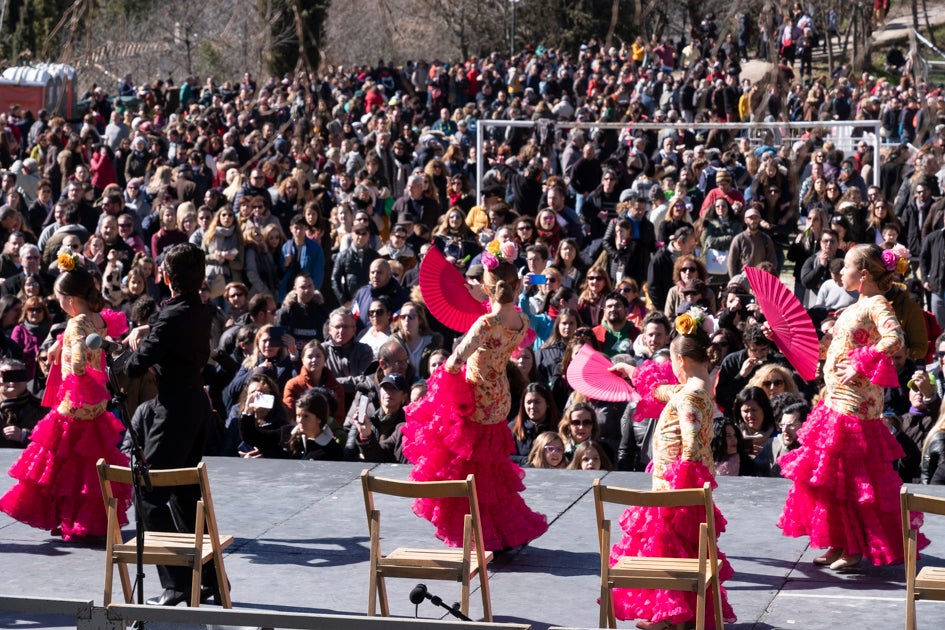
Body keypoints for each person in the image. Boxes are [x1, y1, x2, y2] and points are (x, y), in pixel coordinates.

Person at [778, 244, 930, 569]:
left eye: (846, 267)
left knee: (852, 477)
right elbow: (836, 350)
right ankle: (839, 542)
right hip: (836, 401)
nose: (840, 272)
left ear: (862, 274)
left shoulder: (876, 303)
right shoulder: (855, 305)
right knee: (834, 476)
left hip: (857, 406)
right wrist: (790, 339)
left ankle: (854, 547)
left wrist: (861, 362)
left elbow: (896, 339)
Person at [401, 241, 548, 551]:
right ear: (518, 285)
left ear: (486, 285)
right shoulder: (521, 322)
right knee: (490, 468)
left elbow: (455, 360)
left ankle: (475, 529)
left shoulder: (485, 324)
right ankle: (498, 530)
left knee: (468, 467)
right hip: (500, 397)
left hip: (476, 396)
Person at [607, 322, 736, 629]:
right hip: (681, 486)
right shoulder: (696, 389)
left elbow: (690, 447)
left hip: (677, 487)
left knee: (669, 547)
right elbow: (665, 390)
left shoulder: (690, 397)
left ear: (679, 361)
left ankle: (670, 618)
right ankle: (678, 617)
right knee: (681, 550)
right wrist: (631, 370)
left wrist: (680, 494)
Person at [0, 256, 130, 540]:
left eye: (59, 299)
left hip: (75, 400)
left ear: (70, 300)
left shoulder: (75, 325)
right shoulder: (98, 318)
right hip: (97, 401)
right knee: (89, 463)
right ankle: (86, 520)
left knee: (56, 462)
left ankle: (66, 518)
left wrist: (70, 361)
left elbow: (80, 364)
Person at [121, 242, 218, 606]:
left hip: (174, 409)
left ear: (165, 278)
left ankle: (176, 583)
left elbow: (135, 366)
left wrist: (135, 340)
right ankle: (206, 578)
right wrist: (152, 327)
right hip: (196, 407)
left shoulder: (172, 315)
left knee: (150, 491)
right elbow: (175, 322)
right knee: (186, 495)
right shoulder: (202, 309)